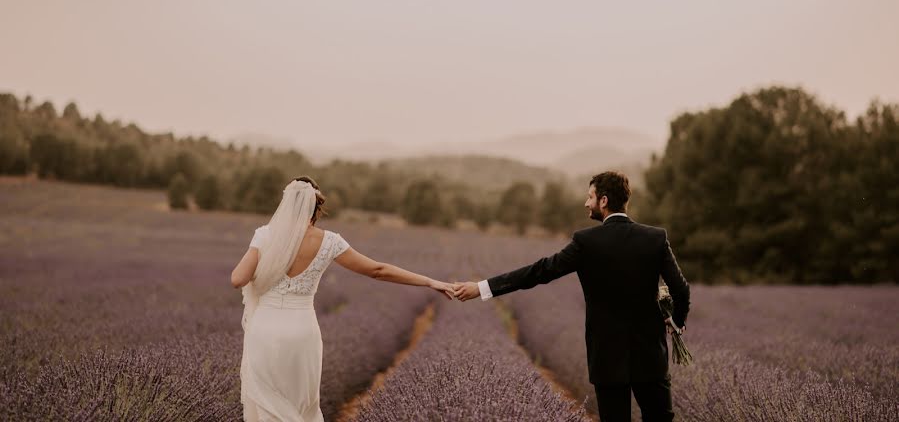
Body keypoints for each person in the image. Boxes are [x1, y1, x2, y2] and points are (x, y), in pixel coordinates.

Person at [453, 171, 690, 422]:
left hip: (607, 358)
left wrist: (482, 288)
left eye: (590, 197)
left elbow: (540, 272)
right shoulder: (655, 238)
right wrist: (676, 321)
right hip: (650, 356)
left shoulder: (586, 242)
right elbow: (681, 290)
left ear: (604, 201)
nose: (586, 203)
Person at [231, 176, 454, 422]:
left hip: (265, 330)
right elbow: (378, 270)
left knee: (268, 406)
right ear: (316, 207)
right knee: (300, 404)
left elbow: (238, 278)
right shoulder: (329, 241)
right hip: (301, 331)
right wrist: (430, 281)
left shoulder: (265, 235)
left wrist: (267, 268)